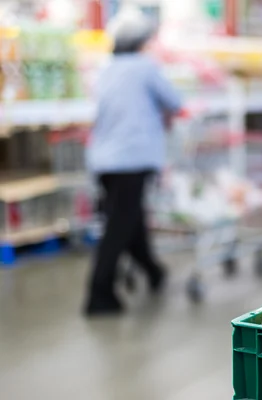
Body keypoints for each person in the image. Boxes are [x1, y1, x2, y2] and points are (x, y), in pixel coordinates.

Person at [85, 7, 183, 316]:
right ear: (141, 42)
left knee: (130, 219)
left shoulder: (106, 68)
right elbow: (175, 102)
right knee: (119, 225)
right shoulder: (145, 67)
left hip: (104, 159)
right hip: (132, 158)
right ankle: (98, 295)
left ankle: (154, 271)